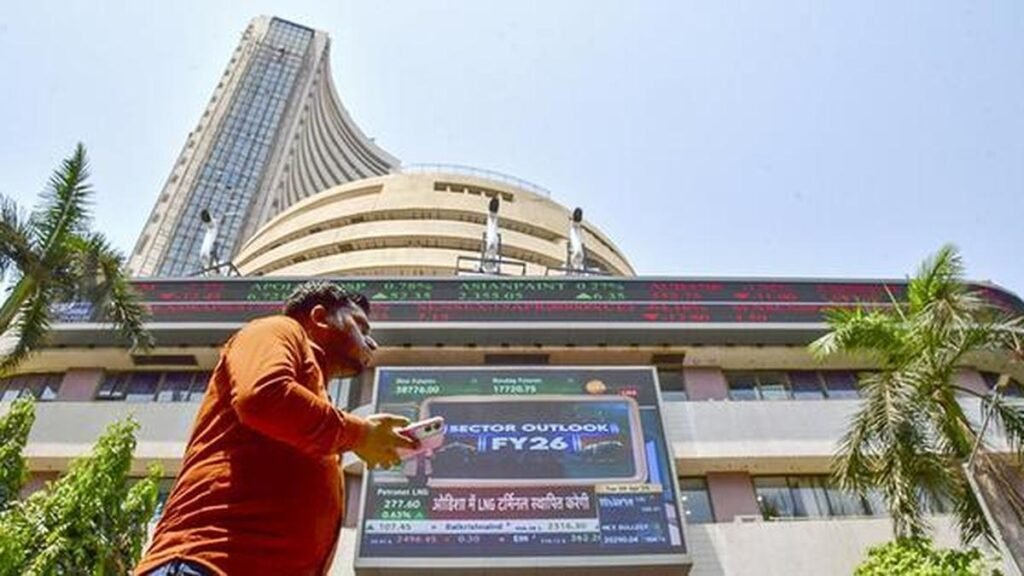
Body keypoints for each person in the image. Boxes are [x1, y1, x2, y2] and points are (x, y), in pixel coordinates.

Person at [135, 281, 417, 576]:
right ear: (320, 317)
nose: (372, 343)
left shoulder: (318, 404)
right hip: (206, 563)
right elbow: (262, 397)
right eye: (361, 327)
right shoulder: (276, 329)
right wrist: (359, 434)